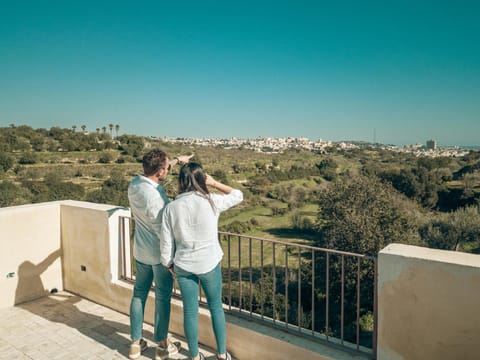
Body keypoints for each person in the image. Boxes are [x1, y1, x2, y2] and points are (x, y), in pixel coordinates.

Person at [160, 162, 243, 360]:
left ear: (181, 181)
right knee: (215, 307)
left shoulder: (171, 208)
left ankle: (195, 356)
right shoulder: (211, 201)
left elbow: (165, 243)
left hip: (183, 264)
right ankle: (222, 354)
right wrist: (214, 183)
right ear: (201, 179)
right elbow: (238, 195)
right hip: (209, 263)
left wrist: (168, 264)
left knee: (190, 311)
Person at [127, 148, 193, 360]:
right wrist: (170, 261)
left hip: (140, 251)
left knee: (139, 294)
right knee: (162, 299)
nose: (167, 170)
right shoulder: (155, 197)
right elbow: (163, 231)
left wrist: (176, 160)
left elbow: (159, 170)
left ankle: (135, 344)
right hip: (158, 255)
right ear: (160, 172)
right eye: (166, 167)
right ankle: (163, 346)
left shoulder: (135, 184)